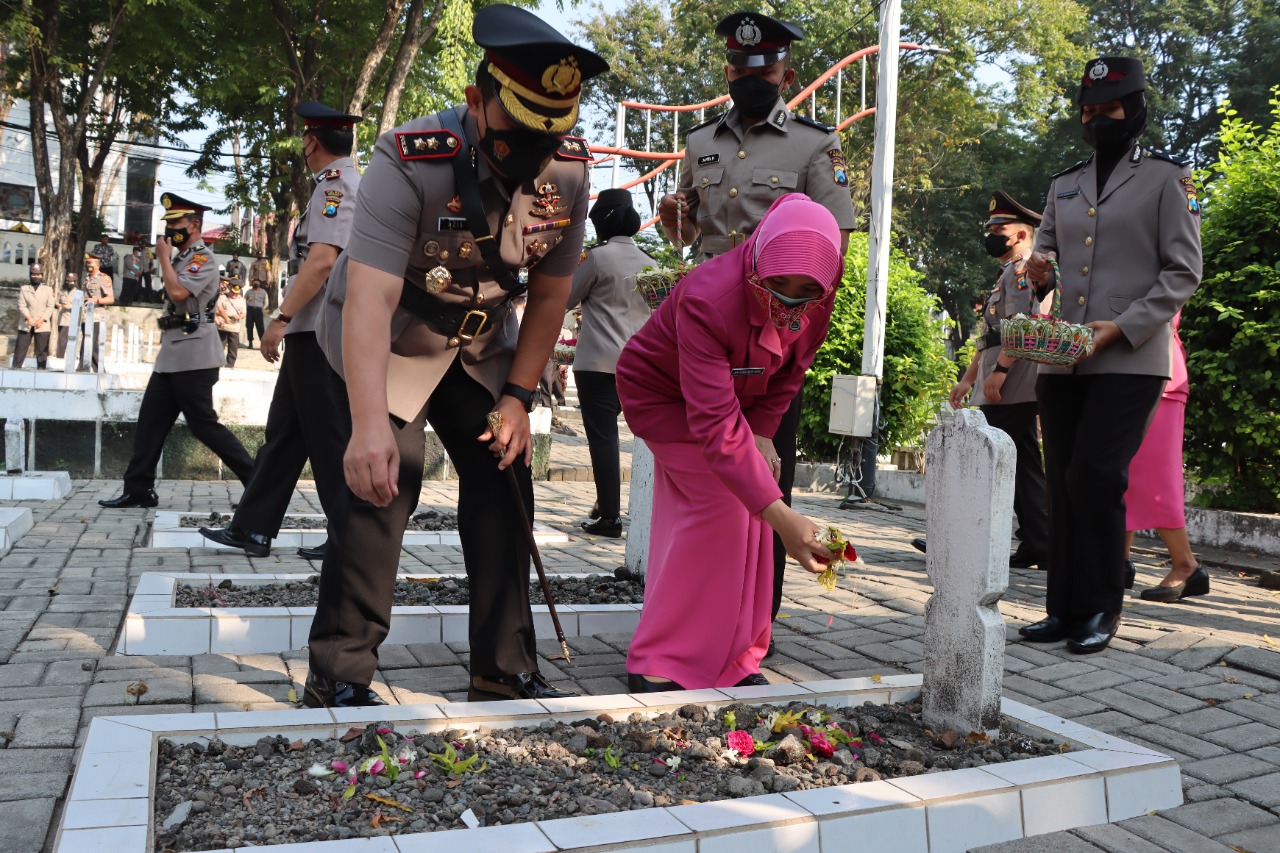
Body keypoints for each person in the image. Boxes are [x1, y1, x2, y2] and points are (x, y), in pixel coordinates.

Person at [306, 4, 607, 708]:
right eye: (520, 129)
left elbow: (552, 294)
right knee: (382, 482)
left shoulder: (567, 170)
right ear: (478, 101)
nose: (535, 149)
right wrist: (370, 425)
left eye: (550, 131)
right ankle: (339, 672)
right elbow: (371, 299)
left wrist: (517, 399)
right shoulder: (409, 158)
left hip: (479, 347)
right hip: (390, 336)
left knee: (505, 472)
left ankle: (502, 667)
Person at [657, 10, 856, 639]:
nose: (752, 75)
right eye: (741, 66)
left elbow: (835, 242)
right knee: (704, 464)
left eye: (764, 67)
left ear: (785, 72)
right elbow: (693, 235)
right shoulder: (698, 144)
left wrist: (799, 324)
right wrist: (674, 224)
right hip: (709, 326)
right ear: (728, 69)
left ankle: (756, 617)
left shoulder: (813, 144)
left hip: (774, 330)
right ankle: (701, 605)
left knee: (768, 465)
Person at [619, 193, 844, 691]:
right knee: (724, 499)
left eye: (804, 291)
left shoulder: (819, 298)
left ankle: (737, 655)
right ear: (758, 257)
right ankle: (659, 658)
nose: (787, 302)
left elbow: (792, 370)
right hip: (662, 397)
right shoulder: (708, 296)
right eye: (776, 285)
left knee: (751, 497)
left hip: (733, 402)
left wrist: (762, 433)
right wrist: (785, 518)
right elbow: (715, 425)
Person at [1018, 56, 1202, 654]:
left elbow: (1183, 272)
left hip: (1130, 355)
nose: (1098, 119)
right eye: (1089, 111)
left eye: (1111, 109)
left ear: (1137, 109)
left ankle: (1100, 608)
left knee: (1096, 475)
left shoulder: (1167, 180)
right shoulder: (1062, 183)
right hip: (1063, 355)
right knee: (1066, 480)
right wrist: (1038, 270)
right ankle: (1064, 611)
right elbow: (1042, 254)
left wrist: (1119, 327)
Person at [200, 101, 363, 563]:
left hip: (321, 330)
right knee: (286, 433)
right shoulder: (337, 185)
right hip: (313, 329)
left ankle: (351, 538)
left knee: (329, 435)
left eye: (305, 139)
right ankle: (253, 528)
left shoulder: (337, 187)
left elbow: (323, 260)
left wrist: (281, 319)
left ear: (312, 141)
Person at [100, 193, 256, 509]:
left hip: (195, 354)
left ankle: (259, 484)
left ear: (195, 225)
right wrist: (168, 259)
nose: (170, 229)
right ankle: (139, 489)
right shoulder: (182, 259)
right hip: (173, 351)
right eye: (169, 224)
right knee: (150, 422)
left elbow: (177, 291)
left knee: (204, 426)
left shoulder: (203, 260)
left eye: (176, 223)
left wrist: (162, 258)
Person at [944, 191, 1051, 568]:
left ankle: (961, 539)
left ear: (1021, 235)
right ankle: (1036, 541)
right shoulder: (1007, 272)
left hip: (1014, 381)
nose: (991, 234)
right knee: (1016, 462)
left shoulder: (1024, 271)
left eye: (999, 229)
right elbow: (989, 336)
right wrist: (968, 379)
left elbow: (1024, 326)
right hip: (997, 379)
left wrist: (1002, 371)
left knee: (995, 458)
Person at [565, 188, 654, 537]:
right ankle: (619, 508)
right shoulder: (651, 261)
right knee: (642, 442)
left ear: (601, 222)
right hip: (639, 366)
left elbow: (568, 296)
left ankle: (610, 518)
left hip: (598, 362)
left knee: (603, 440)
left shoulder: (596, 258)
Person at [1129, 314, 1207, 602]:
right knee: (1122, 474)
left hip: (1160, 377)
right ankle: (1118, 562)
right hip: (1130, 373)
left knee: (1157, 481)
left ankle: (1186, 564)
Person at [14, 263, 55, 369]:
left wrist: (42, 319)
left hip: (42, 323)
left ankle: (41, 370)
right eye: (33, 274)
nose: (36, 276)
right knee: (20, 348)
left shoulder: (48, 290)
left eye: (38, 274)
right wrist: (28, 318)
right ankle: (15, 368)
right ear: (30, 275)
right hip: (26, 322)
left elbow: (50, 306)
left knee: (41, 350)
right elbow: (21, 305)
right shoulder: (24, 289)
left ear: (42, 275)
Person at [81, 254, 114, 371]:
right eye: (86, 263)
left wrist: (96, 300)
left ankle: (83, 367)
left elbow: (110, 298)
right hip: (85, 315)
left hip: (96, 315)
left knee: (90, 342)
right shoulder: (86, 278)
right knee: (91, 343)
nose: (87, 265)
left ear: (97, 264)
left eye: (90, 263)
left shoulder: (104, 278)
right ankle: (98, 369)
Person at [55, 272, 77, 358]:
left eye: (71, 281)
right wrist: (57, 304)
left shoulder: (78, 293)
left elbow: (81, 305)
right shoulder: (62, 292)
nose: (69, 283)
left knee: (70, 341)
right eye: (68, 281)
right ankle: (60, 357)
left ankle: (71, 357)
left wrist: (70, 306)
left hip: (72, 319)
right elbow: (57, 301)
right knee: (61, 340)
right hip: (62, 319)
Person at [244, 278, 268, 348]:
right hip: (250, 310)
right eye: (254, 283)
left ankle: (263, 344)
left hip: (258, 310)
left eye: (257, 284)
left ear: (259, 285)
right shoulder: (248, 291)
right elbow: (244, 299)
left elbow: (266, 302)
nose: (255, 285)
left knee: (260, 327)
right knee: (249, 326)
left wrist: (262, 309)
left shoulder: (263, 292)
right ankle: (250, 343)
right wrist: (245, 309)